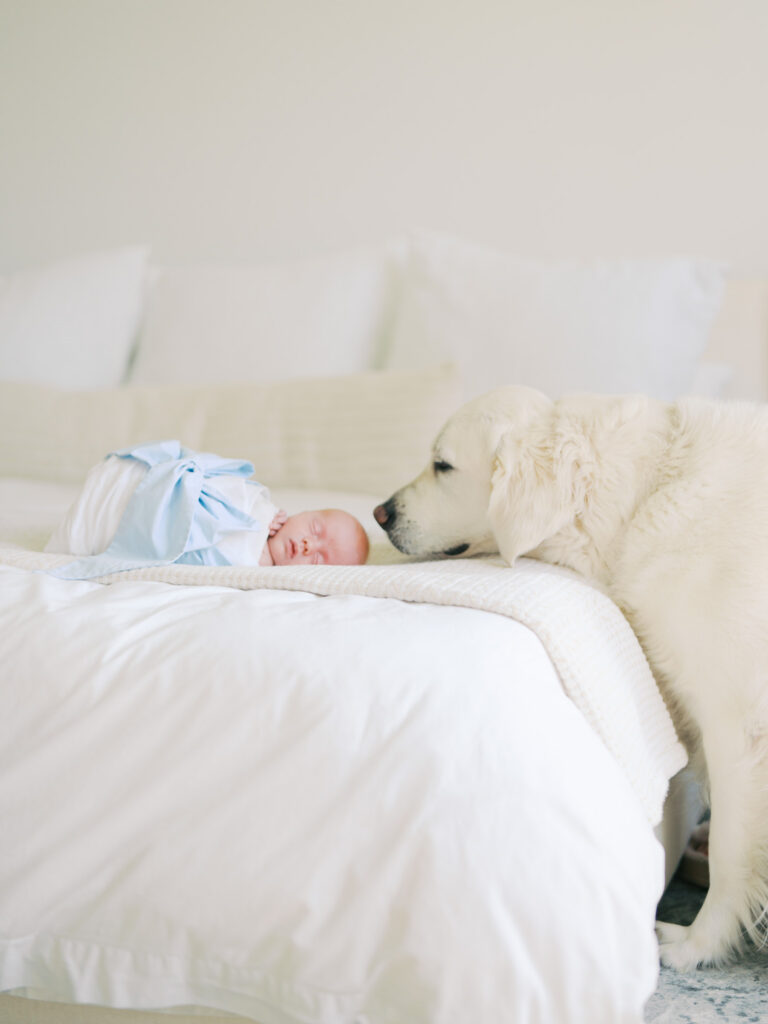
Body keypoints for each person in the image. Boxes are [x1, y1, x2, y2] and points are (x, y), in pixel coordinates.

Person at [45, 440, 369, 579]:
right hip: (152, 499)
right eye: (315, 528)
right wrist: (260, 516)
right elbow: (221, 485)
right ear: (301, 514)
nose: (311, 546)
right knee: (146, 486)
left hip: (156, 541)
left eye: (319, 559)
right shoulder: (259, 505)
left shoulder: (267, 579)